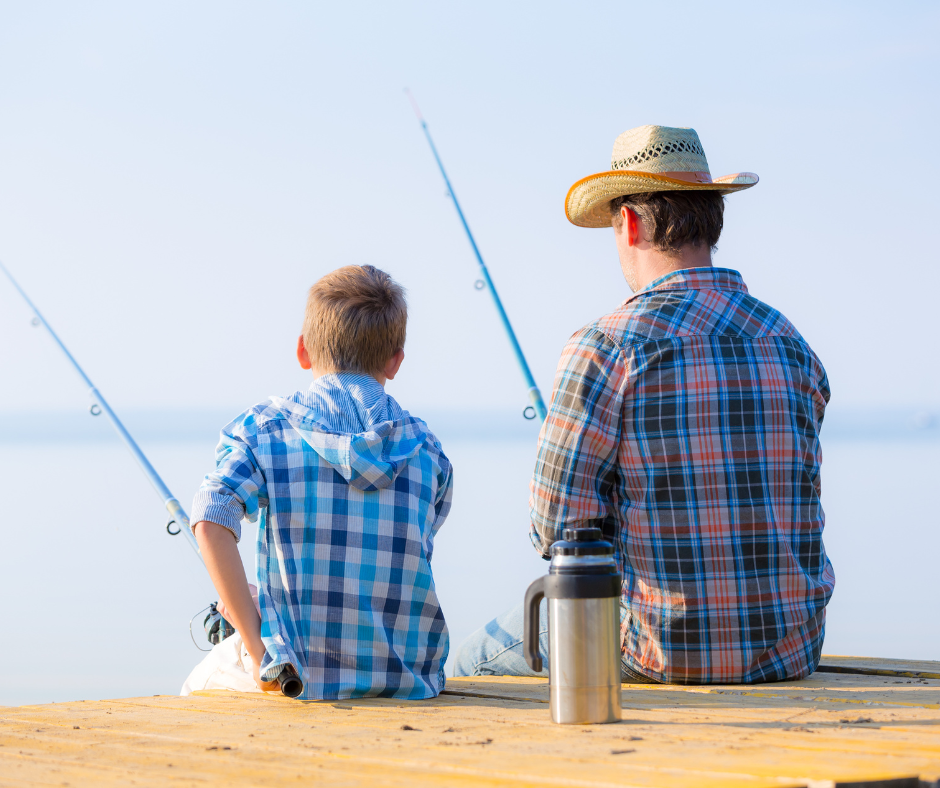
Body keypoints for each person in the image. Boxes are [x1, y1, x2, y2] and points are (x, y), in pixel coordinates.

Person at [454, 125, 834, 684]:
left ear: (628, 222)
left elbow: (555, 528)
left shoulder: (607, 345)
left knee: (465, 663)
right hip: (791, 650)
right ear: (714, 218)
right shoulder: (790, 342)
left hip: (656, 653)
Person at [181, 265, 453, 700]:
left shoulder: (266, 429)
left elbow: (211, 517)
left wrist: (257, 648)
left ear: (303, 351)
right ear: (395, 360)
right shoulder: (427, 451)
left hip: (301, 677)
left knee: (197, 685)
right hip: (406, 680)